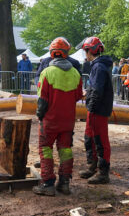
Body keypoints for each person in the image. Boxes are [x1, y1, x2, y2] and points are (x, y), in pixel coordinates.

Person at [33, 37, 83, 196]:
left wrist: (40, 115)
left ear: (52, 53)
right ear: (66, 53)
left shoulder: (47, 72)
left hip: (50, 120)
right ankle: (64, 183)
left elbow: (42, 100)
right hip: (68, 121)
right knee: (66, 150)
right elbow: (77, 96)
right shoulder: (75, 73)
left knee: (45, 148)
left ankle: (47, 183)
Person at [78, 36, 113, 184]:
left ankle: (103, 173)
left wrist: (92, 105)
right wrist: (88, 92)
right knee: (89, 137)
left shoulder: (99, 67)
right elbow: (95, 87)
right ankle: (92, 166)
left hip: (98, 108)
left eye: (86, 51)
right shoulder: (97, 65)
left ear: (90, 51)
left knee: (100, 139)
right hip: (94, 106)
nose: (85, 54)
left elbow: (98, 90)